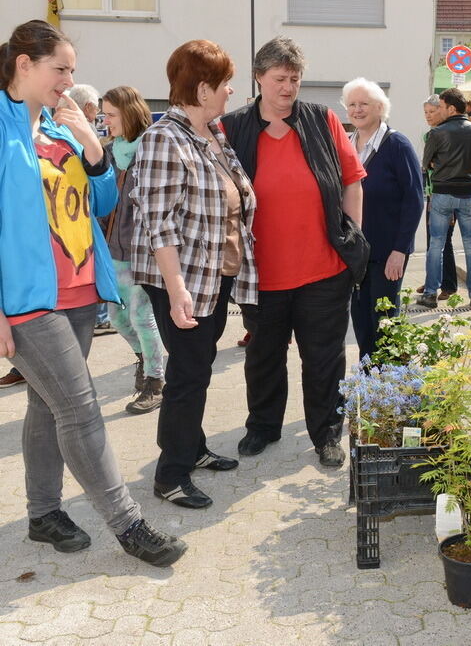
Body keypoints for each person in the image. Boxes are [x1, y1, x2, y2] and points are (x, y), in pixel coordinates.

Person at [0, 19, 186, 565]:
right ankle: (129, 526)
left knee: (46, 403)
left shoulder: (59, 130)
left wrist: (92, 146)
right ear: (24, 64)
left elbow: (104, 203)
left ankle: (42, 513)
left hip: (81, 289)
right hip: (30, 298)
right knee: (81, 411)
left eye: (73, 71)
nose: (68, 80)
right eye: (60, 69)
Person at [220, 37, 367, 469]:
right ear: (259, 77)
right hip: (261, 275)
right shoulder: (232, 128)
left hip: (323, 270)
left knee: (323, 358)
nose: (288, 87)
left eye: (295, 79)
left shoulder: (323, 121)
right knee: (263, 357)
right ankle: (263, 427)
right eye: (280, 78)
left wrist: (351, 234)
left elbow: (351, 181)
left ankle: (326, 433)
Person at [132, 39, 255, 508]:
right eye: (225, 85)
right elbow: (156, 221)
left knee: (199, 368)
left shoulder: (211, 133)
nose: (230, 92)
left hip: (214, 273)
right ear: (203, 89)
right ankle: (171, 475)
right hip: (180, 280)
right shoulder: (164, 138)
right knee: (187, 374)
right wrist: (177, 287)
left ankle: (194, 448)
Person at [344, 78, 423, 362]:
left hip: (387, 254)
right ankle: (370, 382)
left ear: (380, 107)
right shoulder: (345, 144)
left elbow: (414, 200)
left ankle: (391, 383)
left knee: (385, 322)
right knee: (361, 321)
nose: (357, 109)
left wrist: (400, 250)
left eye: (364, 104)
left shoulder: (397, 145)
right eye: (352, 104)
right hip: (356, 255)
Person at [100, 85, 166, 415]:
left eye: (110, 114)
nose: (105, 121)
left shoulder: (152, 149)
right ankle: (144, 358)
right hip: (114, 249)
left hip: (144, 251)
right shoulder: (111, 152)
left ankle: (156, 381)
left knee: (141, 316)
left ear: (128, 113)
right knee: (117, 318)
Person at [417, 88, 471, 309]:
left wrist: (439, 164)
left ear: (452, 108)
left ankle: (430, 294)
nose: (440, 110)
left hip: (443, 192)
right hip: (468, 193)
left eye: (443, 107)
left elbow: (426, 162)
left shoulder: (438, 133)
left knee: (436, 243)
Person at [67, 83, 117, 337]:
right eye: (100, 112)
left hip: (83, 272)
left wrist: (92, 146)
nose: (103, 120)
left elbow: (105, 201)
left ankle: (101, 317)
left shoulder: (84, 140)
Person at [420, 95, 458, 297]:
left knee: (444, 241)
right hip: (432, 193)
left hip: (447, 193)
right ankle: (431, 281)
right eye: (425, 112)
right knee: (432, 240)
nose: (428, 116)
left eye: (432, 112)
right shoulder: (431, 134)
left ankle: (449, 285)